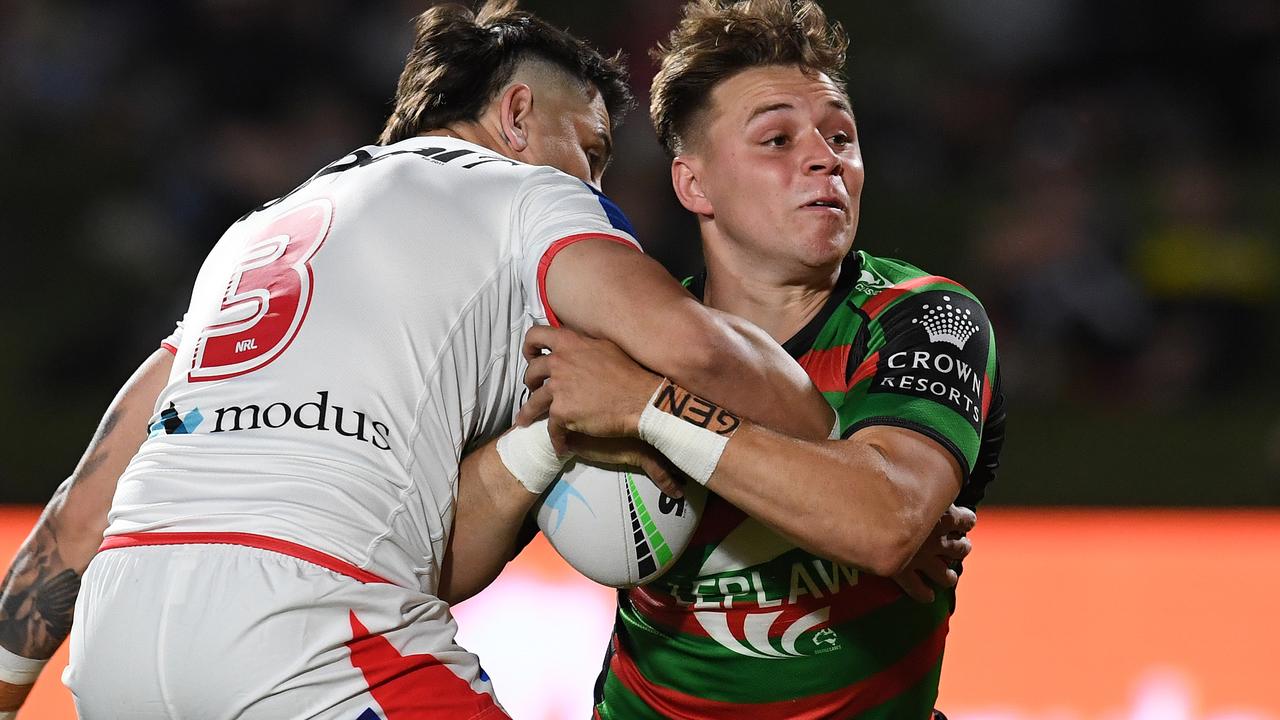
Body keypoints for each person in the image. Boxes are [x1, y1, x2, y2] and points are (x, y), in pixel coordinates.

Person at [0, 2, 840, 718]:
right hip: (304, 628)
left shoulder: (262, 234)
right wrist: (842, 470)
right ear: (516, 118)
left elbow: (81, 514)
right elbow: (697, 351)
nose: (594, 180)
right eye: (588, 149)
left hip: (118, 645)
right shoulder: (527, 195)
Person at [510, 1, 1008, 717]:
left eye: (841, 136)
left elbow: (885, 521)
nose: (825, 157)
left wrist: (654, 413)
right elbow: (461, 546)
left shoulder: (926, 318)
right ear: (694, 185)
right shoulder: (622, 342)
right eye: (776, 138)